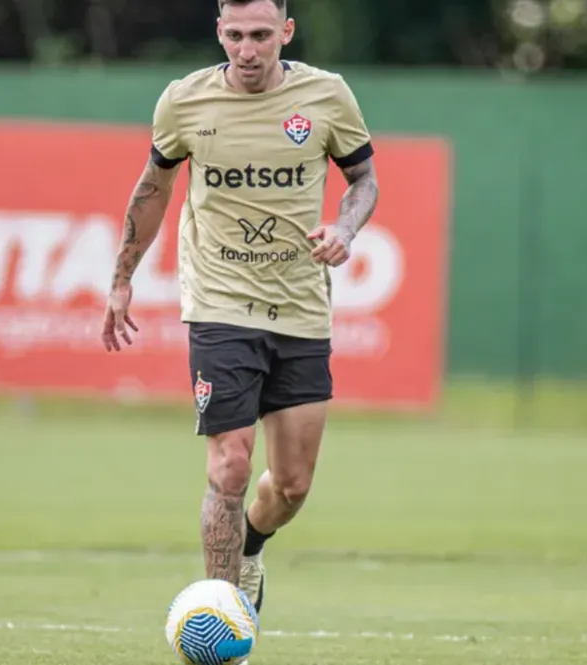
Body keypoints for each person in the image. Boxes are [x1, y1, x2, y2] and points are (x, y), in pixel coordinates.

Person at [101, 0, 379, 620]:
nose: (246, 50)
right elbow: (154, 190)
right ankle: (221, 620)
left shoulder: (327, 97)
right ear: (218, 32)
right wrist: (122, 278)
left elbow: (365, 181)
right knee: (230, 464)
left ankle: (252, 546)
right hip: (219, 300)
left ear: (286, 31)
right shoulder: (184, 102)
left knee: (291, 486)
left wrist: (347, 229)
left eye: (260, 35)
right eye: (234, 35)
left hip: (302, 307)